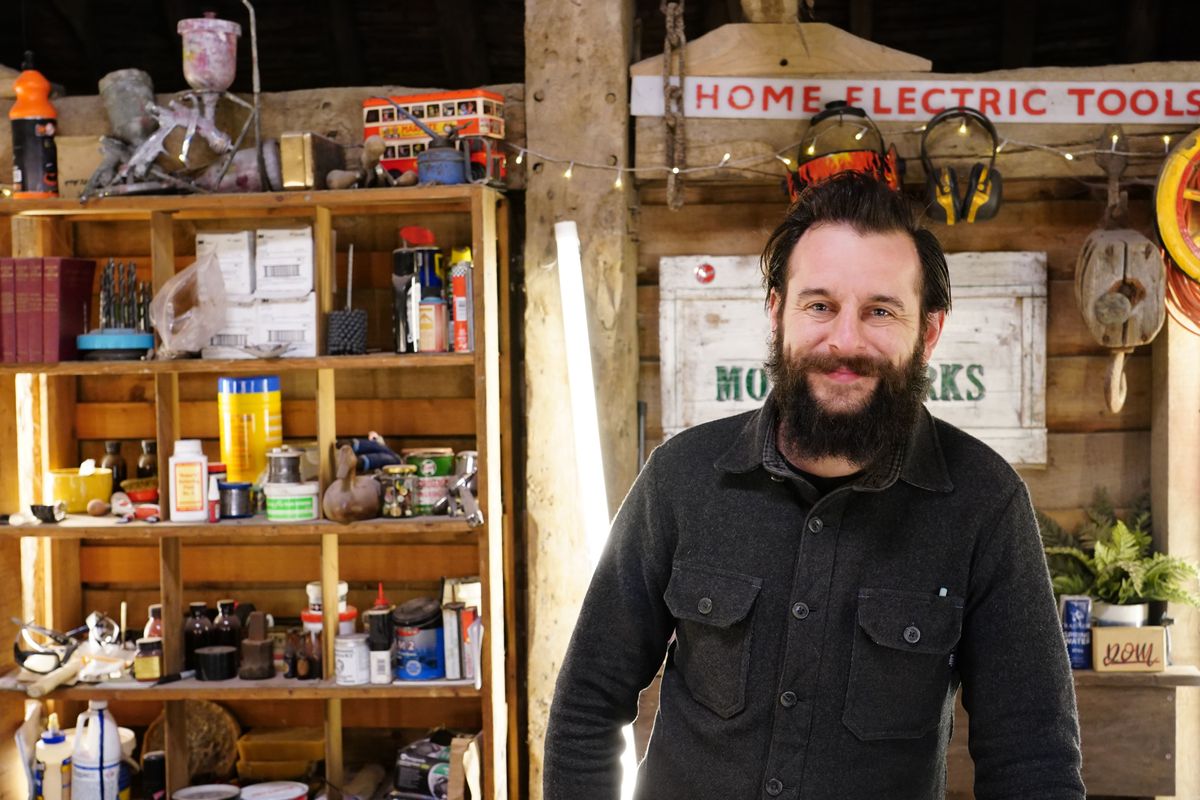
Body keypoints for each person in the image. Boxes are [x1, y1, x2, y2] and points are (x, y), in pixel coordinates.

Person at [543, 171, 1084, 800]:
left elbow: (1032, 757)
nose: (845, 340)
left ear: (928, 331)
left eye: (880, 311)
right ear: (777, 313)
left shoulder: (984, 504)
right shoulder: (680, 479)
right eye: (819, 305)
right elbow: (588, 701)